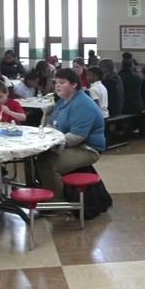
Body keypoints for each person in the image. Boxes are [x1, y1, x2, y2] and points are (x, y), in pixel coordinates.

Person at [35, 68, 105, 200]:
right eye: (56, 82)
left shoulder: (82, 104)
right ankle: (44, 193)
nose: (57, 86)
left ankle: (55, 203)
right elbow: (51, 125)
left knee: (48, 164)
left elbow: (78, 136)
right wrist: (47, 113)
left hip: (88, 149)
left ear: (74, 85)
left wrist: (52, 144)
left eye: (62, 82)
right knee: (40, 156)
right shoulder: (63, 100)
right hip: (69, 144)